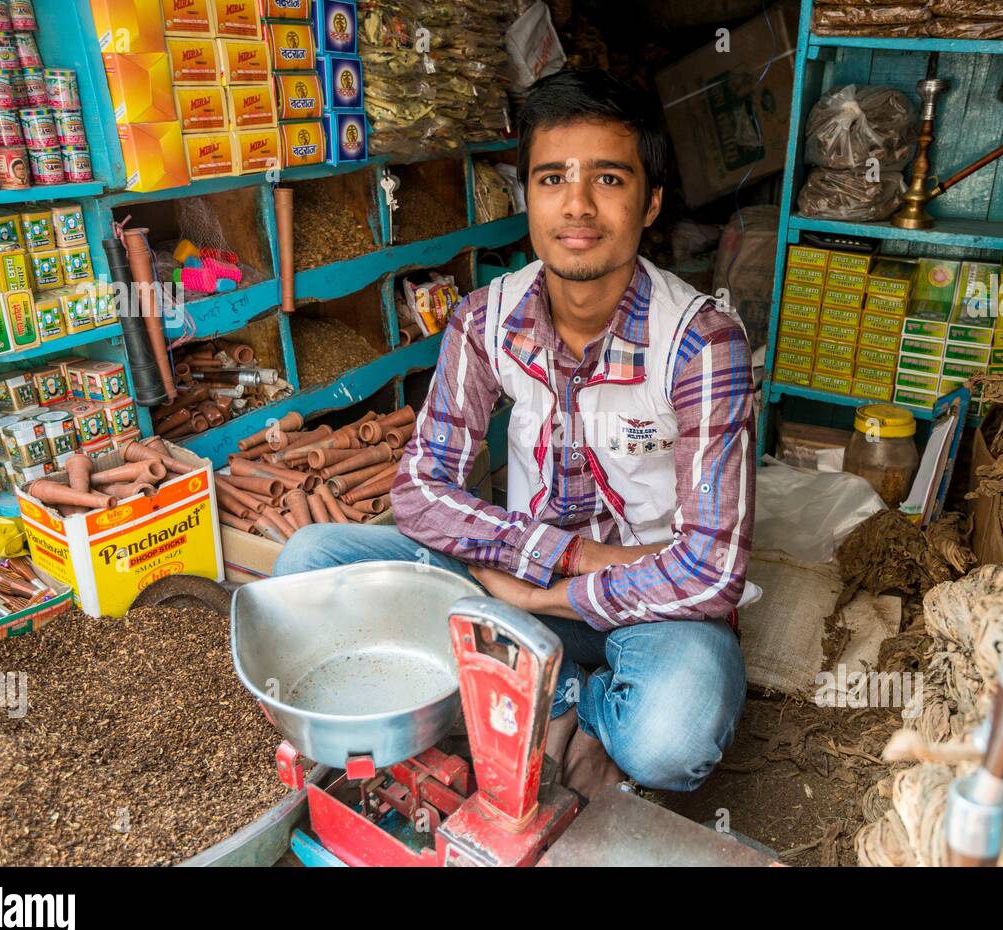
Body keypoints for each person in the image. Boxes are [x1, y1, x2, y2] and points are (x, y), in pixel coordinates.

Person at [275, 69, 757, 800]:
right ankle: (548, 684)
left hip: (645, 603)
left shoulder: (701, 341)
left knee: (671, 733)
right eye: (552, 177)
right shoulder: (483, 318)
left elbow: (711, 570)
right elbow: (420, 489)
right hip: (513, 572)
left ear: (651, 200)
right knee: (311, 562)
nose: (577, 205)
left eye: (609, 179)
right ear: (527, 194)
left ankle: (574, 701)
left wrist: (545, 597)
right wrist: (557, 557)